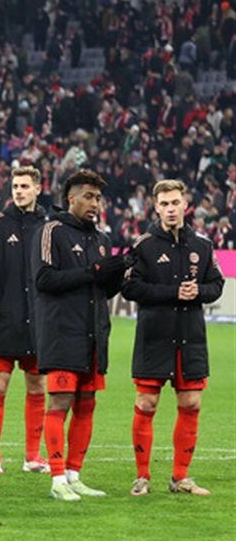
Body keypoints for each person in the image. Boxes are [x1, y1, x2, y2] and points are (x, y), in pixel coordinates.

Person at [122, 179, 224, 497]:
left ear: (185, 205)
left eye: (175, 203)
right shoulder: (143, 245)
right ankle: (142, 477)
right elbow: (129, 287)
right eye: (164, 204)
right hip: (154, 335)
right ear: (156, 207)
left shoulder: (202, 246)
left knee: (191, 402)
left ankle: (181, 477)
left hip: (190, 336)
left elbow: (217, 285)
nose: (170, 209)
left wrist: (199, 291)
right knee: (146, 403)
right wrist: (173, 292)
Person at [35, 169, 126, 502]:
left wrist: (115, 277)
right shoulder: (52, 231)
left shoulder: (102, 240)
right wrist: (93, 272)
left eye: (98, 198)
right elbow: (44, 279)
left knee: (87, 404)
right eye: (88, 196)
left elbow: (100, 288)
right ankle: (57, 478)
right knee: (60, 403)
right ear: (70, 198)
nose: (95, 203)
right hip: (62, 332)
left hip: (94, 334)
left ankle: (74, 475)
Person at [0, 165, 50, 475]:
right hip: (5, 320)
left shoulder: (48, 226)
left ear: (38, 189)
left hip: (38, 321)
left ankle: (32, 456)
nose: (18, 191)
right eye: (15, 186)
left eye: (24, 186)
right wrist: (0, 306)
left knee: (37, 384)